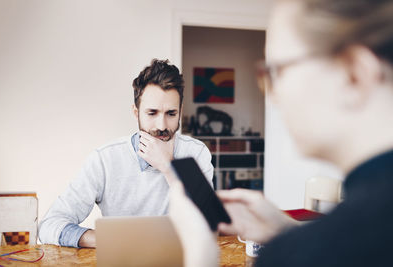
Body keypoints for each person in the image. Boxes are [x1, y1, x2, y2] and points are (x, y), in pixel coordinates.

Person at [168, 0, 393, 266]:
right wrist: (285, 230)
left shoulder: (297, 255)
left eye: (276, 73)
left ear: (354, 74)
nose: (272, 98)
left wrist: (200, 248)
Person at [38, 59, 214, 248]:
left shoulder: (196, 152)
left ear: (180, 112)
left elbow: (209, 223)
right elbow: (49, 225)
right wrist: (111, 240)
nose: (162, 126)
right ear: (136, 112)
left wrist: (168, 166)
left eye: (171, 114)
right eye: (152, 113)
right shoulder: (105, 159)